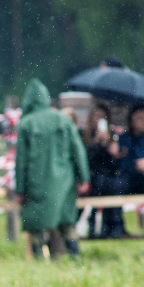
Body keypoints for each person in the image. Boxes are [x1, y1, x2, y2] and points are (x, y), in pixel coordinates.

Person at [13, 80, 90, 259]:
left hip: (36, 183)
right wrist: (83, 178)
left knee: (35, 224)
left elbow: (21, 161)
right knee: (67, 223)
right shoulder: (63, 119)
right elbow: (77, 150)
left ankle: (38, 259)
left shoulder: (26, 124)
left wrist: (20, 189)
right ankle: (75, 259)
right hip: (64, 181)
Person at [84, 104, 128, 238]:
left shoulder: (113, 136)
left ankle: (109, 225)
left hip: (107, 176)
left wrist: (114, 152)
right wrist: (95, 144)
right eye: (97, 116)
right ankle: (93, 225)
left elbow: (114, 165)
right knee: (99, 182)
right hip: (91, 175)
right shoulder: (85, 135)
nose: (99, 120)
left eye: (103, 117)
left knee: (110, 184)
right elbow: (87, 160)